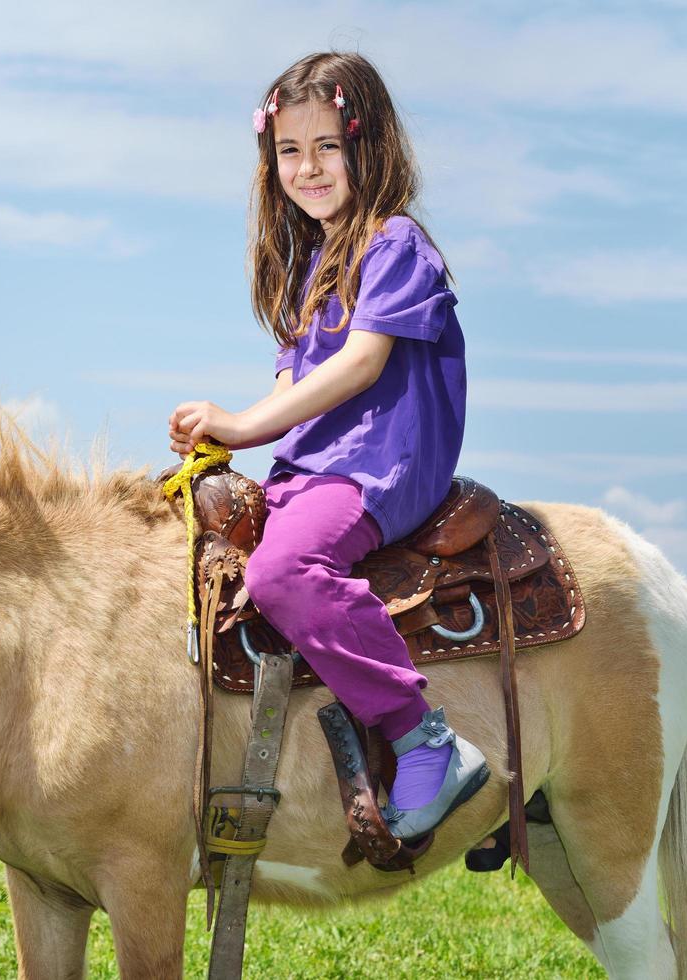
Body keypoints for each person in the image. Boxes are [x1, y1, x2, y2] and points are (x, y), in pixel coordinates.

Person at [167, 51, 487, 841]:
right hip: (313, 466)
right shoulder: (311, 262)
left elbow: (361, 363)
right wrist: (227, 423)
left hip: (379, 465)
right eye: (287, 151)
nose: (306, 168)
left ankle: (421, 738)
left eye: (325, 147)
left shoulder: (395, 244)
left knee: (282, 571)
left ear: (366, 144)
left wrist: (244, 427)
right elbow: (289, 391)